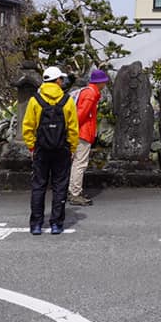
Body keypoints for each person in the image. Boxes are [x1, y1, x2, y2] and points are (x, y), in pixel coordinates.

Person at [22, 66, 79, 235]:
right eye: (61, 79)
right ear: (58, 81)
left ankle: (36, 224)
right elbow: (73, 129)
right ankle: (56, 224)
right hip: (62, 149)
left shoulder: (35, 100)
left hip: (41, 149)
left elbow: (27, 127)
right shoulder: (67, 101)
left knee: (39, 186)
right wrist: (72, 148)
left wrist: (32, 146)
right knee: (59, 186)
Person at [68, 68, 110, 206]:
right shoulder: (91, 95)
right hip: (83, 133)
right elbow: (80, 116)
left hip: (79, 132)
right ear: (100, 82)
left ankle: (73, 191)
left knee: (76, 163)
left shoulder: (87, 92)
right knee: (80, 163)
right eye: (104, 82)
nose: (105, 84)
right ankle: (75, 193)